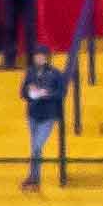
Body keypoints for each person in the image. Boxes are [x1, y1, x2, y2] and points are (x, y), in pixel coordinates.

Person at [20, 46, 72, 188]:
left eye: (42, 56)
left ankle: (33, 177)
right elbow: (22, 92)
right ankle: (34, 178)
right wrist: (29, 91)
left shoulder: (56, 74)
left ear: (47, 58)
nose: (39, 58)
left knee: (37, 146)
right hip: (33, 114)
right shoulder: (30, 72)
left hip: (48, 115)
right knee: (34, 146)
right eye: (37, 56)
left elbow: (62, 93)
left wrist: (46, 94)